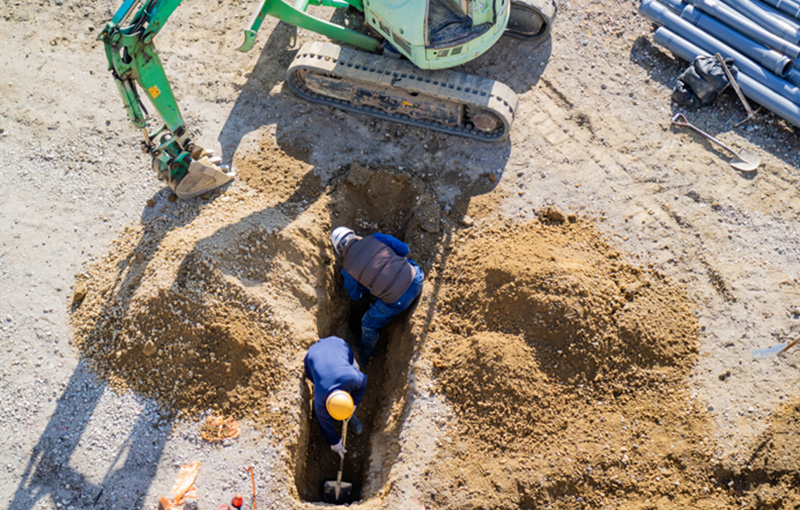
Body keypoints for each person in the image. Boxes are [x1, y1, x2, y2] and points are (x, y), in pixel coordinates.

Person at [331, 227, 424, 364]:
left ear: (340, 250)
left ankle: (365, 358)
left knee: (368, 324)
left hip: (398, 300)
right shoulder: (376, 237)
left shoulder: (347, 269)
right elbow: (404, 250)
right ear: (354, 234)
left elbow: (356, 296)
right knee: (405, 263)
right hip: (416, 279)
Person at [303, 336, 367, 458]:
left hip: (339, 345)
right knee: (317, 378)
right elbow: (325, 424)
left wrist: (353, 405)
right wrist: (335, 442)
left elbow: (364, 381)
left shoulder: (352, 378)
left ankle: (349, 416)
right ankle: (342, 416)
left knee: (356, 368)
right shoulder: (320, 403)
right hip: (313, 355)